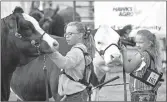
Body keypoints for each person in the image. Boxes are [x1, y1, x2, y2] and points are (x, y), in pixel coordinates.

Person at [48, 21, 96, 101]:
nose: (67, 36)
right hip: (77, 93)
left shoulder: (76, 51)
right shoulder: (83, 50)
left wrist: (51, 52)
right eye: (66, 34)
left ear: (80, 35)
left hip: (75, 96)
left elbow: (64, 63)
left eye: (70, 34)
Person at [121, 29, 163, 102]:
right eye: (136, 42)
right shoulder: (153, 56)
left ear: (149, 43)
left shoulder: (141, 55)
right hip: (151, 94)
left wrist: (124, 52)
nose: (137, 45)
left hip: (139, 95)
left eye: (141, 42)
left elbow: (127, 69)